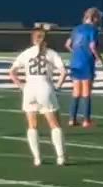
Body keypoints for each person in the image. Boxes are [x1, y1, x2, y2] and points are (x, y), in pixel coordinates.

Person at [10, 28, 68, 167]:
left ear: (33, 39)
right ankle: (60, 156)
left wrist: (21, 86)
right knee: (54, 124)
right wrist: (57, 87)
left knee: (32, 125)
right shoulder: (51, 53)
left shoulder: (26, 53)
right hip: (45, 87)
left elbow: (12, 72)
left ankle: (37, 158)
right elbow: (63, 72)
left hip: (29, 89)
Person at [65, 7, 103, 128]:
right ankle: (86, 120)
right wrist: (99, 59)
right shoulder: (93, 30)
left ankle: (72, 118)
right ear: (94, 18)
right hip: (86, 63)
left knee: (76, 91)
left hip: (75, 62)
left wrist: (76, 52)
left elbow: (67, 44)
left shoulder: (76, 29)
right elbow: (92, 46)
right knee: (86, 92)